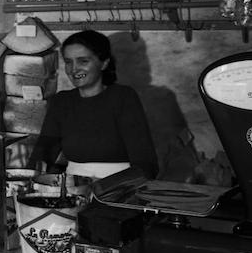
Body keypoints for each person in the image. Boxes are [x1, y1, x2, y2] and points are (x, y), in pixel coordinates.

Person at [29, 29, 158, 180]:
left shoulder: (123, 97)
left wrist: (102, 187)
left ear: (104, 63)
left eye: (83, 61)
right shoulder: (62, 101)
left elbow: (146, 164)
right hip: (73, 188)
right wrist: (26, 180)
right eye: (68, 62)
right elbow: (42, 154)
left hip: (121, 188)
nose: (74, 69)